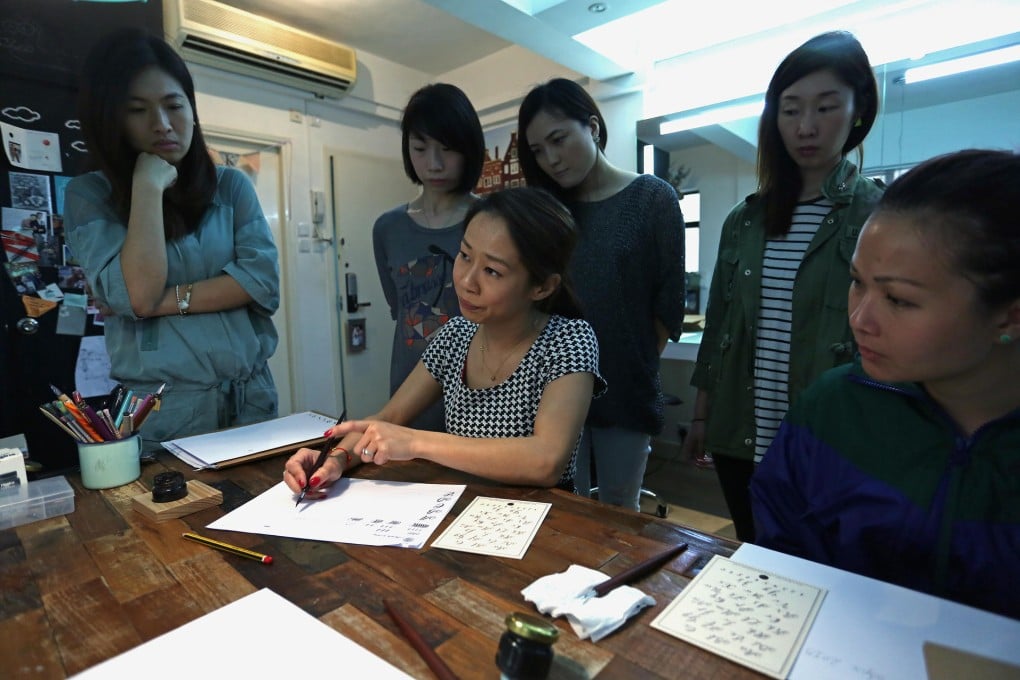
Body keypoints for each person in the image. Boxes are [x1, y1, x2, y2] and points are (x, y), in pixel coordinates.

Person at [751, 149, 1020, 619]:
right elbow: (780, 564)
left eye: (899, 299)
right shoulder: (832, 409)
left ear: (1010, 315)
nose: (859, 319)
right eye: (857, 282)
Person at [682, 31, 885, 541]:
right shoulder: (745, 220)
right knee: (756, 558)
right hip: (740, 433)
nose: (807, 127)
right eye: (791, 109)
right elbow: (721, 326)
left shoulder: (879, 215)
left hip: (833, 438)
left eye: (826, 107)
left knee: (825, 570)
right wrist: (701, 418)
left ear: (858, 112)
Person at [285, 187, 605, 494]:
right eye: (465, 256)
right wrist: (335, 459)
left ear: (543, 287)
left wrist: (414, 442)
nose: (466, 281)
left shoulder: (567, 340)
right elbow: (389, 418)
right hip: (461, 511)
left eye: (492, 271)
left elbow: (546, 461)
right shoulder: (456, 335)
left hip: (549, 523)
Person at [65, 29, 280, 451]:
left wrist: (163, 303)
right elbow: (138, 292)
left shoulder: (231, 186)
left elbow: (260, 281)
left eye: (173, 104)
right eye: (138, 110)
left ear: (191, 107)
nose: (162, 124)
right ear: (112, 120)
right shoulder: (90, 195)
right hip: (165, 411)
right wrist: (147, 185)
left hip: (250, 397)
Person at [516, 78, 685, 511]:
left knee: (618, 512)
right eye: (538, 150)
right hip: (550, 388)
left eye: (559, 139)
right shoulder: (547, 213)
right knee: (560, 507)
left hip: (626, 388)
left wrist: (633, 360)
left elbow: (668, 301)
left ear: (592, 126)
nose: (551, 159)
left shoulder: (652, 199)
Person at [372, 83, 485, 431]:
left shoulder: (492, 221)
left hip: (480, 398)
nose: (433, 164)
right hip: (409, 400)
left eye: (447, 149)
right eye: (420, 148)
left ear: (468, 149)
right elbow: (401, 309)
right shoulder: (388, 228)